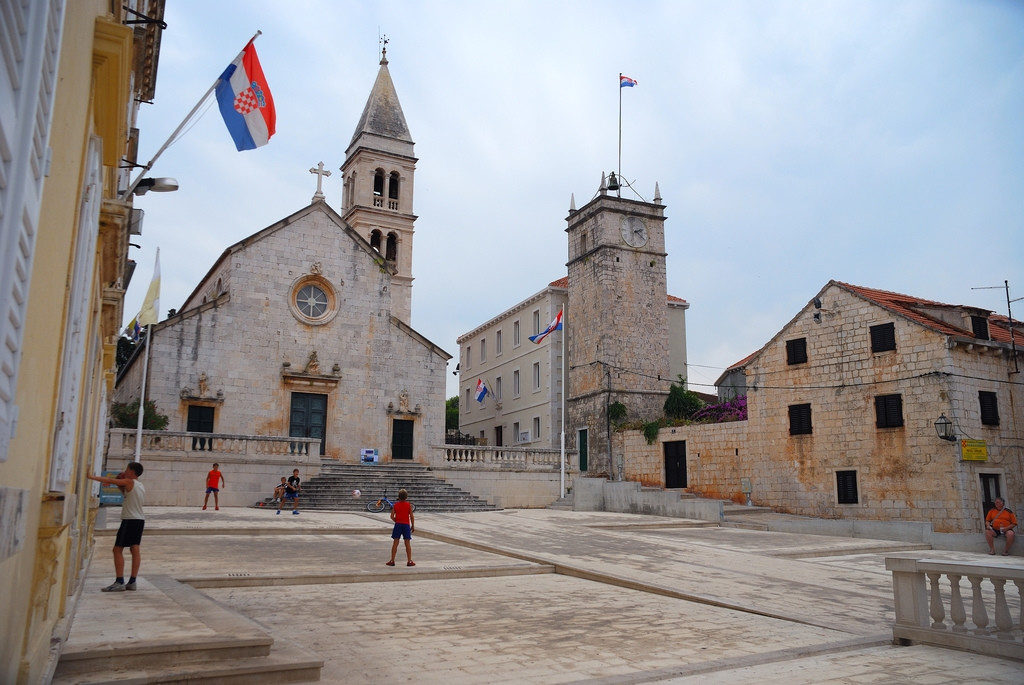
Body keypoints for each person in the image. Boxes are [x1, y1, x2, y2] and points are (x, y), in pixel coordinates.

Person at [86, 462, 145, 591]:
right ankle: (132, 581)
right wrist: (120, 485)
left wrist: (91, 476)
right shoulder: (140, 485)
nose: (125, 471)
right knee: (135, 549)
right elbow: (126, 494)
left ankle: (119, 581)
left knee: (117, 550)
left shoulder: (129, 482)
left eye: (127, 469)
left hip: (129, 520)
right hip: (140, 520)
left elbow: (110, 480)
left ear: (132, 471)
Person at [386, 488, 415, 567]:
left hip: (398, 525)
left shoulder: (395, 505)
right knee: (407, 543)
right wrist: (413, 525)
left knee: (395, 542)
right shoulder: (408, 505)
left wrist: (397, 520)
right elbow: (412, 516)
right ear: (406, 497)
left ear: (399, 496)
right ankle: (409, 561)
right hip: (406, 525)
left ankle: (392, 560)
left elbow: (392, 516)